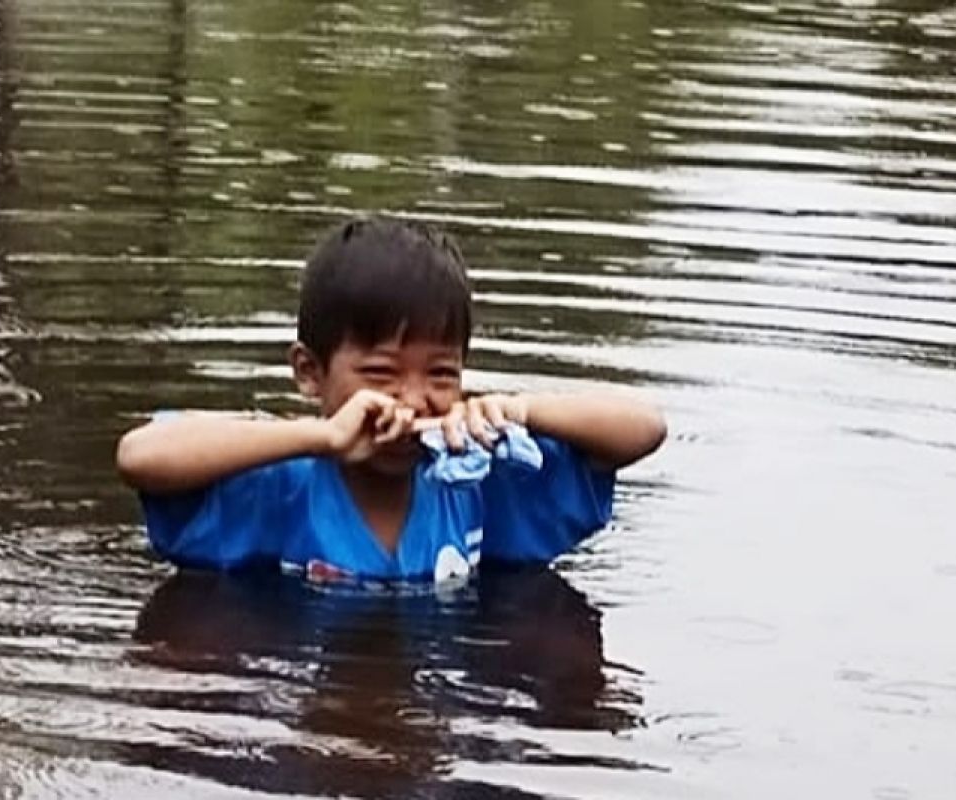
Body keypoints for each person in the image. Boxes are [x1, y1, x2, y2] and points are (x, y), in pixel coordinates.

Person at [116, 216, 666, 584]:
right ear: (309, 372)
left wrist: (520, 410)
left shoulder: (478, 478)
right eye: (380, 373)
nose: (415, 401)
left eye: (441, 374)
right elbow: (140, 456)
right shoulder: (276, 477)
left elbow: (643, 428)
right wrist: (321, 438)